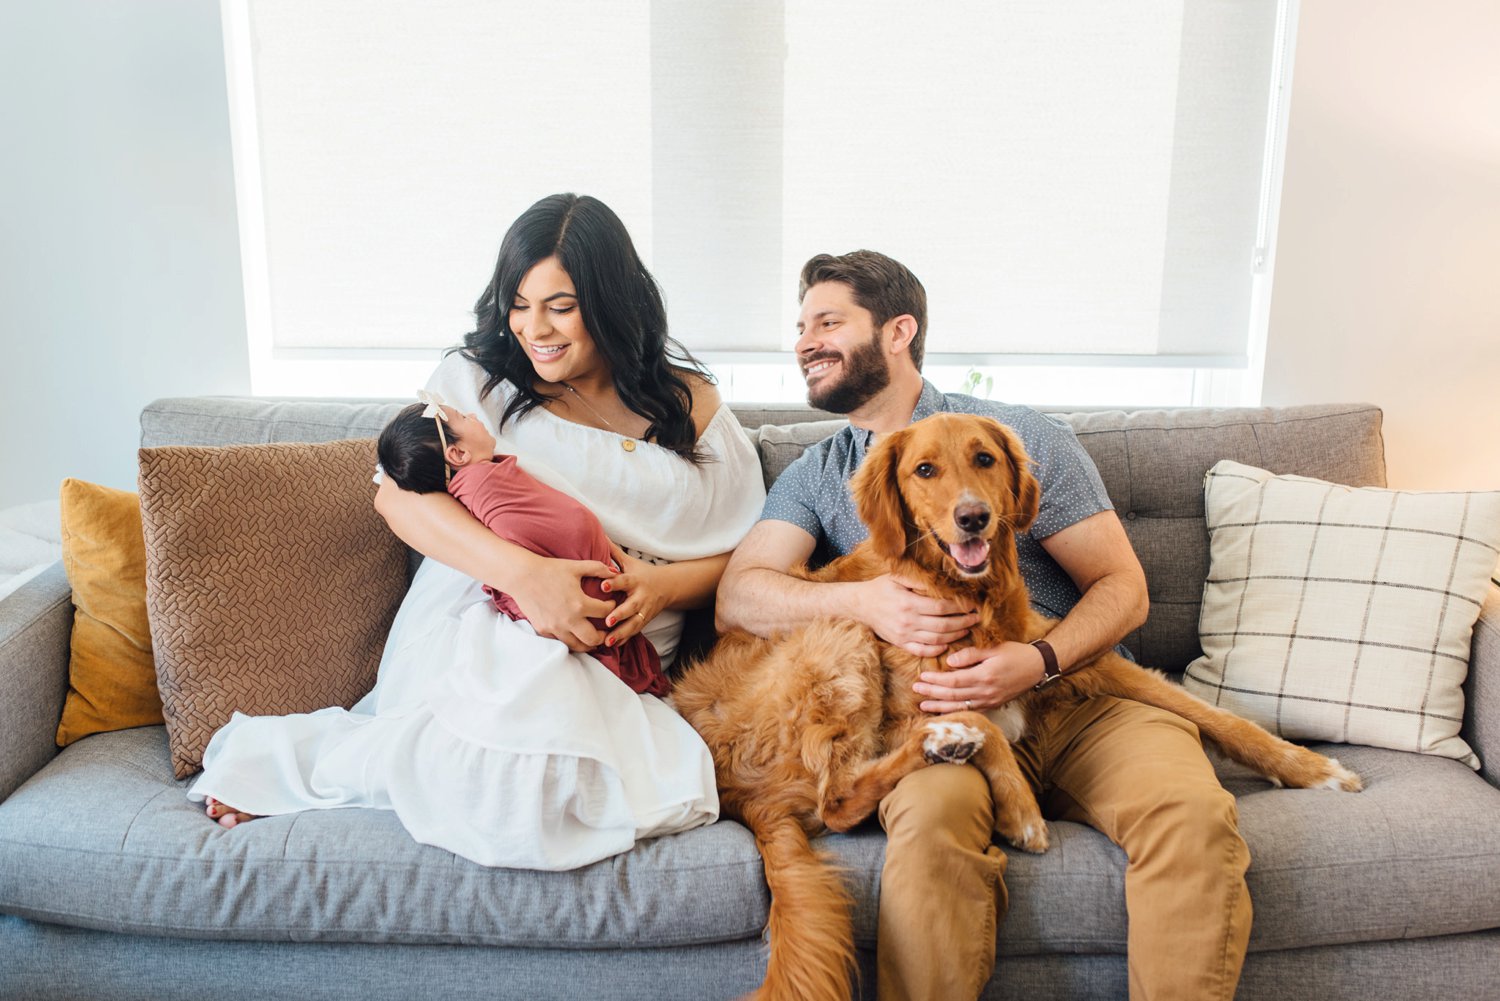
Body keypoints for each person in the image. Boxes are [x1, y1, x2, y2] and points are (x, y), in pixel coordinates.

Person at [714, 250, 1251, 1001]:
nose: (805, 341)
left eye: (828, 322)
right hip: (944, 724)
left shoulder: (1017, 435)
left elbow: (1124, 589)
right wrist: (861, 601)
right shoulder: (815, 474)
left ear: (899, 331)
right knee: (930, 834)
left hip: (1081, 698)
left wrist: (1039, 657)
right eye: (801, 326)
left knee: (1192, 814)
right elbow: (740, 597)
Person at [189, 193, 765, 870]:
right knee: (509, 766)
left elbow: (746, 556)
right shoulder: (477, 384)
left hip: (620, 636)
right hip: (487, 605)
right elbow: (398, 501)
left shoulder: (690, 402)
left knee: (558, 785)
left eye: (560, 305)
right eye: (518, 304)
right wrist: (527, 577)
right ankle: (317, 772)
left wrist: (663, 587)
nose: (533, 328)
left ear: (611, 299)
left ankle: (372, 772)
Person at [375, 396, 668, 696]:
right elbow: (388, 495)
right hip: (492, 610)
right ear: (458, 453)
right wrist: (525, 575)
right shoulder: (478, 480)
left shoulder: (484, 475)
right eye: (463, 416)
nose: (473, 415)